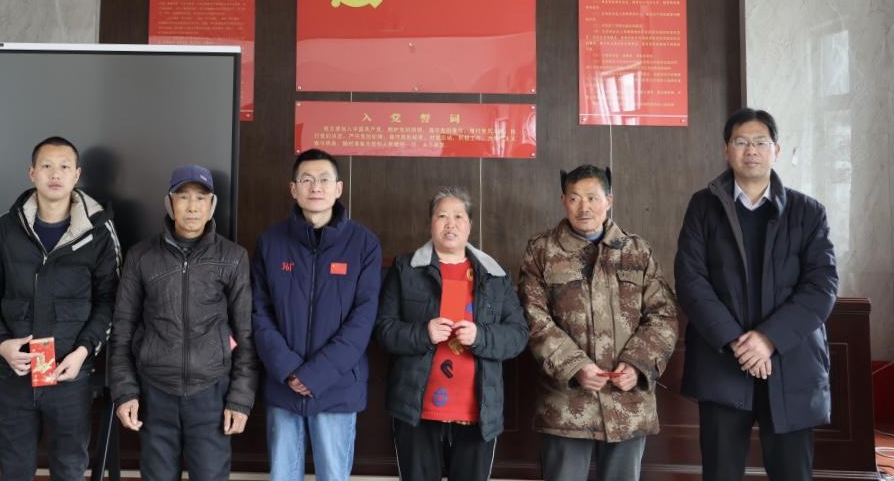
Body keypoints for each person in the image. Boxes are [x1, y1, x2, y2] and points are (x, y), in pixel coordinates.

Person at [674, 108, 838, 481]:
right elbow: (690, 280)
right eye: (741, 142)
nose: (751, 150)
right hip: (722, 362)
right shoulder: (703, 207)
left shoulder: (808, 212)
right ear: (726, 150)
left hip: (791, 362)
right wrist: (737, 342)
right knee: (721, 473)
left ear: (776, 150)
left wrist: (767, 340)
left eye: (761, 142)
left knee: (792, 473)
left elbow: (822, 286)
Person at [0, 136, 121, 481]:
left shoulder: (98, 231)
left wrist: (83, 351)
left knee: (69, 470)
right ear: (32, 173)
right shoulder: (4, 229)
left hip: (70, 376)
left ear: (77, 174)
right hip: (14, 375)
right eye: (47, 166)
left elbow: (111, 300)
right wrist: (1, 344)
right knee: (15, 471)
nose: (55, 174)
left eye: (64, 166)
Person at [518, 165, 679, 481]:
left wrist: (638, 365)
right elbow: (533, 317)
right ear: (563, 201)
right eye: (575, 198)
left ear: (609, 200)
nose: (584, 207)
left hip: (627, 403)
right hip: (566, 406)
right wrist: (575, 366)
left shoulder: (637, 251)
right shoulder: (541, 251)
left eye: (592, 197)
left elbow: (663, 314)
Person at [109, 164, 258, 481]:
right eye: (183, 197)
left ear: (212, 205)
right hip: (154, 393)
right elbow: (122, 330)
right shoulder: (141, 256)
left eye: (201, 198)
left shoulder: (233, 257)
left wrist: (241, 399)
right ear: (170, 202)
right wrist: (125, 391)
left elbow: (245, 334)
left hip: (212, 393)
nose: (192, 207)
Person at [375, 187, 529, 481]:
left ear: (469, 225)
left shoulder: (495, 274)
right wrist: (423, 333)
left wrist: (481, 337)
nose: (450, 224)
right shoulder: (406, 269)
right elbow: (383, 330)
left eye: (458, 217)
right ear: (430, 223)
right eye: (442, 216)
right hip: (417, 412)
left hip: (477, 414)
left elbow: (518, 335)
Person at [251, 148, 382, 481]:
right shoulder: (270, 242)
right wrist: (290, 370)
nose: (316, 187)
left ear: (338, 189)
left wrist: (316, 375)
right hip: (284, 386)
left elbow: (363, 319)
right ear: (293, 189)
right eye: (306, 180)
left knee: (333, 476)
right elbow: (259, 312)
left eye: (324, 179)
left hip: (337, 389)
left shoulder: (364, 244)